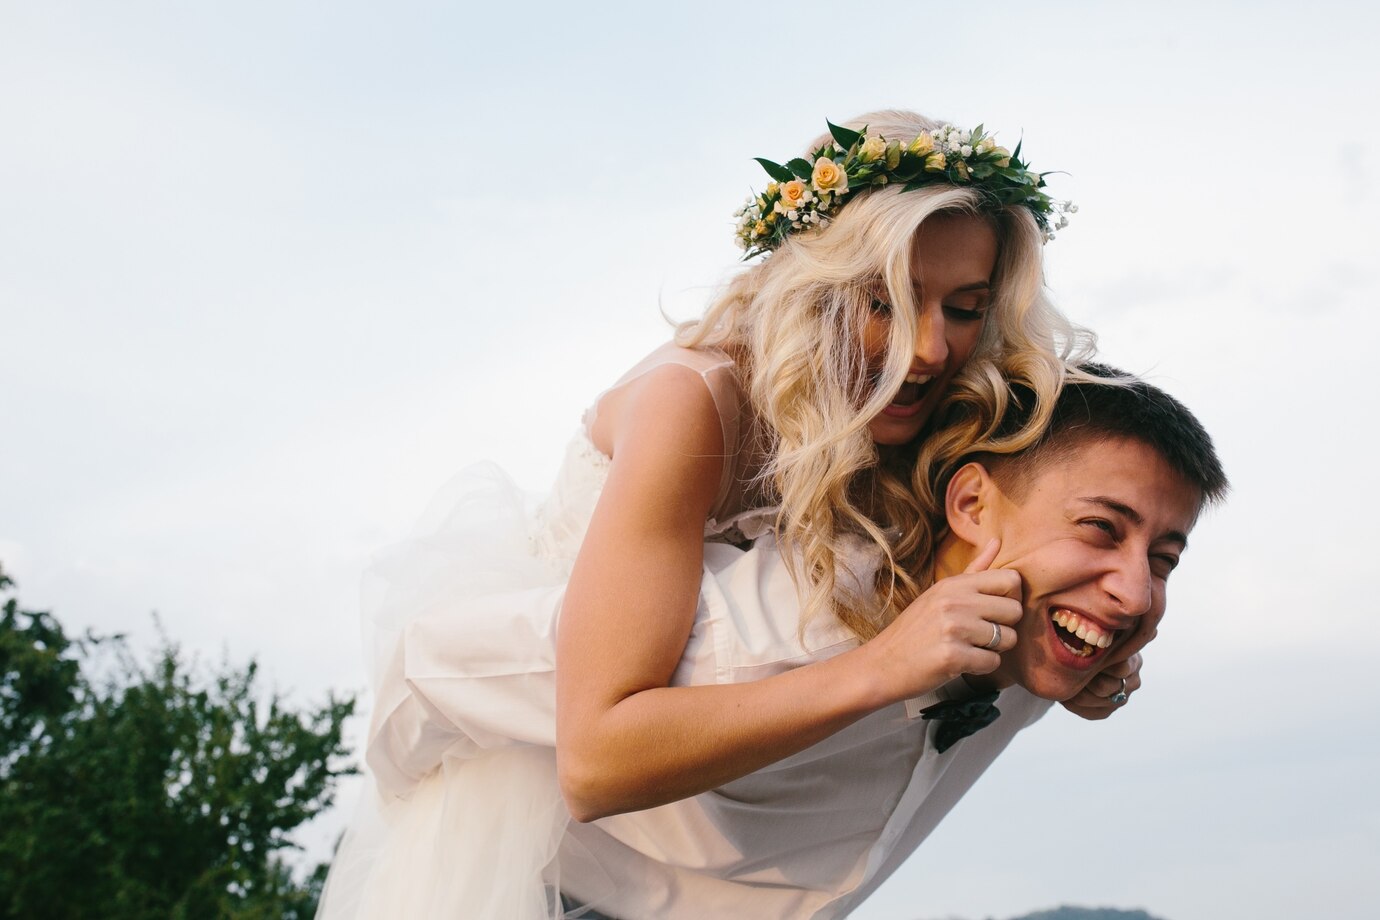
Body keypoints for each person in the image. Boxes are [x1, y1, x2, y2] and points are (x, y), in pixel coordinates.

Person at [316, 112, 1140, 919]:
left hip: (737, 843)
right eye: (885, 300)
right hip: (548, 833)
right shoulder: (695, 408)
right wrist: (881, 667)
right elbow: (596, 761)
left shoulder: (931, 413)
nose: (930, 348)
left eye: (963, 308)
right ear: (814, 287)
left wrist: (1071, 649)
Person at [556, 366, 1227, 918]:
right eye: (1101, 529)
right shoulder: (781, 620)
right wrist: (877, 668)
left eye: (1163, 560)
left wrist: (1100, 662)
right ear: (970, 506)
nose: (1136, 593)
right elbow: (543, 733)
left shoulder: (1037, 636)